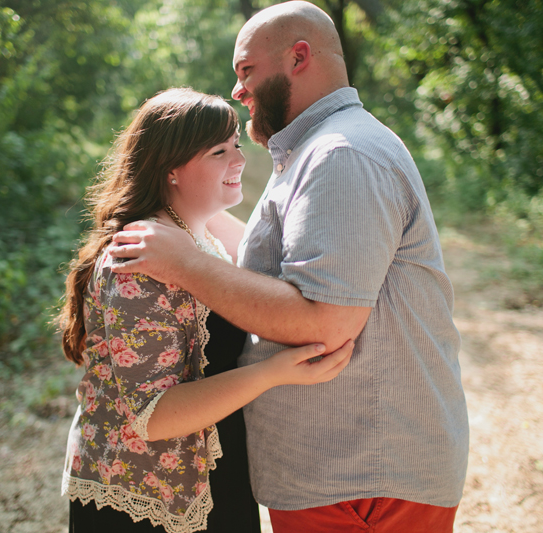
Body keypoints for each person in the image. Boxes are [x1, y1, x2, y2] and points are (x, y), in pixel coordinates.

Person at [108, 2, 469, 532]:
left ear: (299, 57)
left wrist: (185, 262)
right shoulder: (315, 151)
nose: (238, 90)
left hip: (362, 477)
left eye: (246, 71)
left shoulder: (342, 154)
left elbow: (326, 321)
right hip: (341, 472)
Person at [57, 87, 354, 533]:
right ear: (170, 169)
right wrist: (274, 372)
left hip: (208, 476)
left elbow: (264, 273)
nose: (240, 160)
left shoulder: (194, 236)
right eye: (219, 151)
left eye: (236, 144)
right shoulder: (138, 261)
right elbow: (152, 416)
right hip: (147, 500)